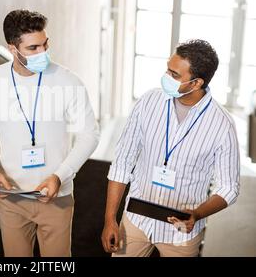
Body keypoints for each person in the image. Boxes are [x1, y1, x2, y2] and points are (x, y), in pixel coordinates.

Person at [0, 9, 99, 256]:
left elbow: (90, 134)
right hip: (12, 195)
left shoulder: (68, 81)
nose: (42, 52)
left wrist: (59, 176)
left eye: (45, 44)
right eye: (33, 48)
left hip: (56, 195)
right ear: (13, 48)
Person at [101, 39, 240, 257]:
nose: (166, 77)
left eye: (174, 75)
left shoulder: (222, 125)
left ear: (196, 83)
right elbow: (122, 163)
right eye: (168, 69)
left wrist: (197, 213)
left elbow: (229, 187)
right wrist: (110, 219)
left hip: (181, 233)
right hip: (137, 220)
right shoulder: (148, 102)